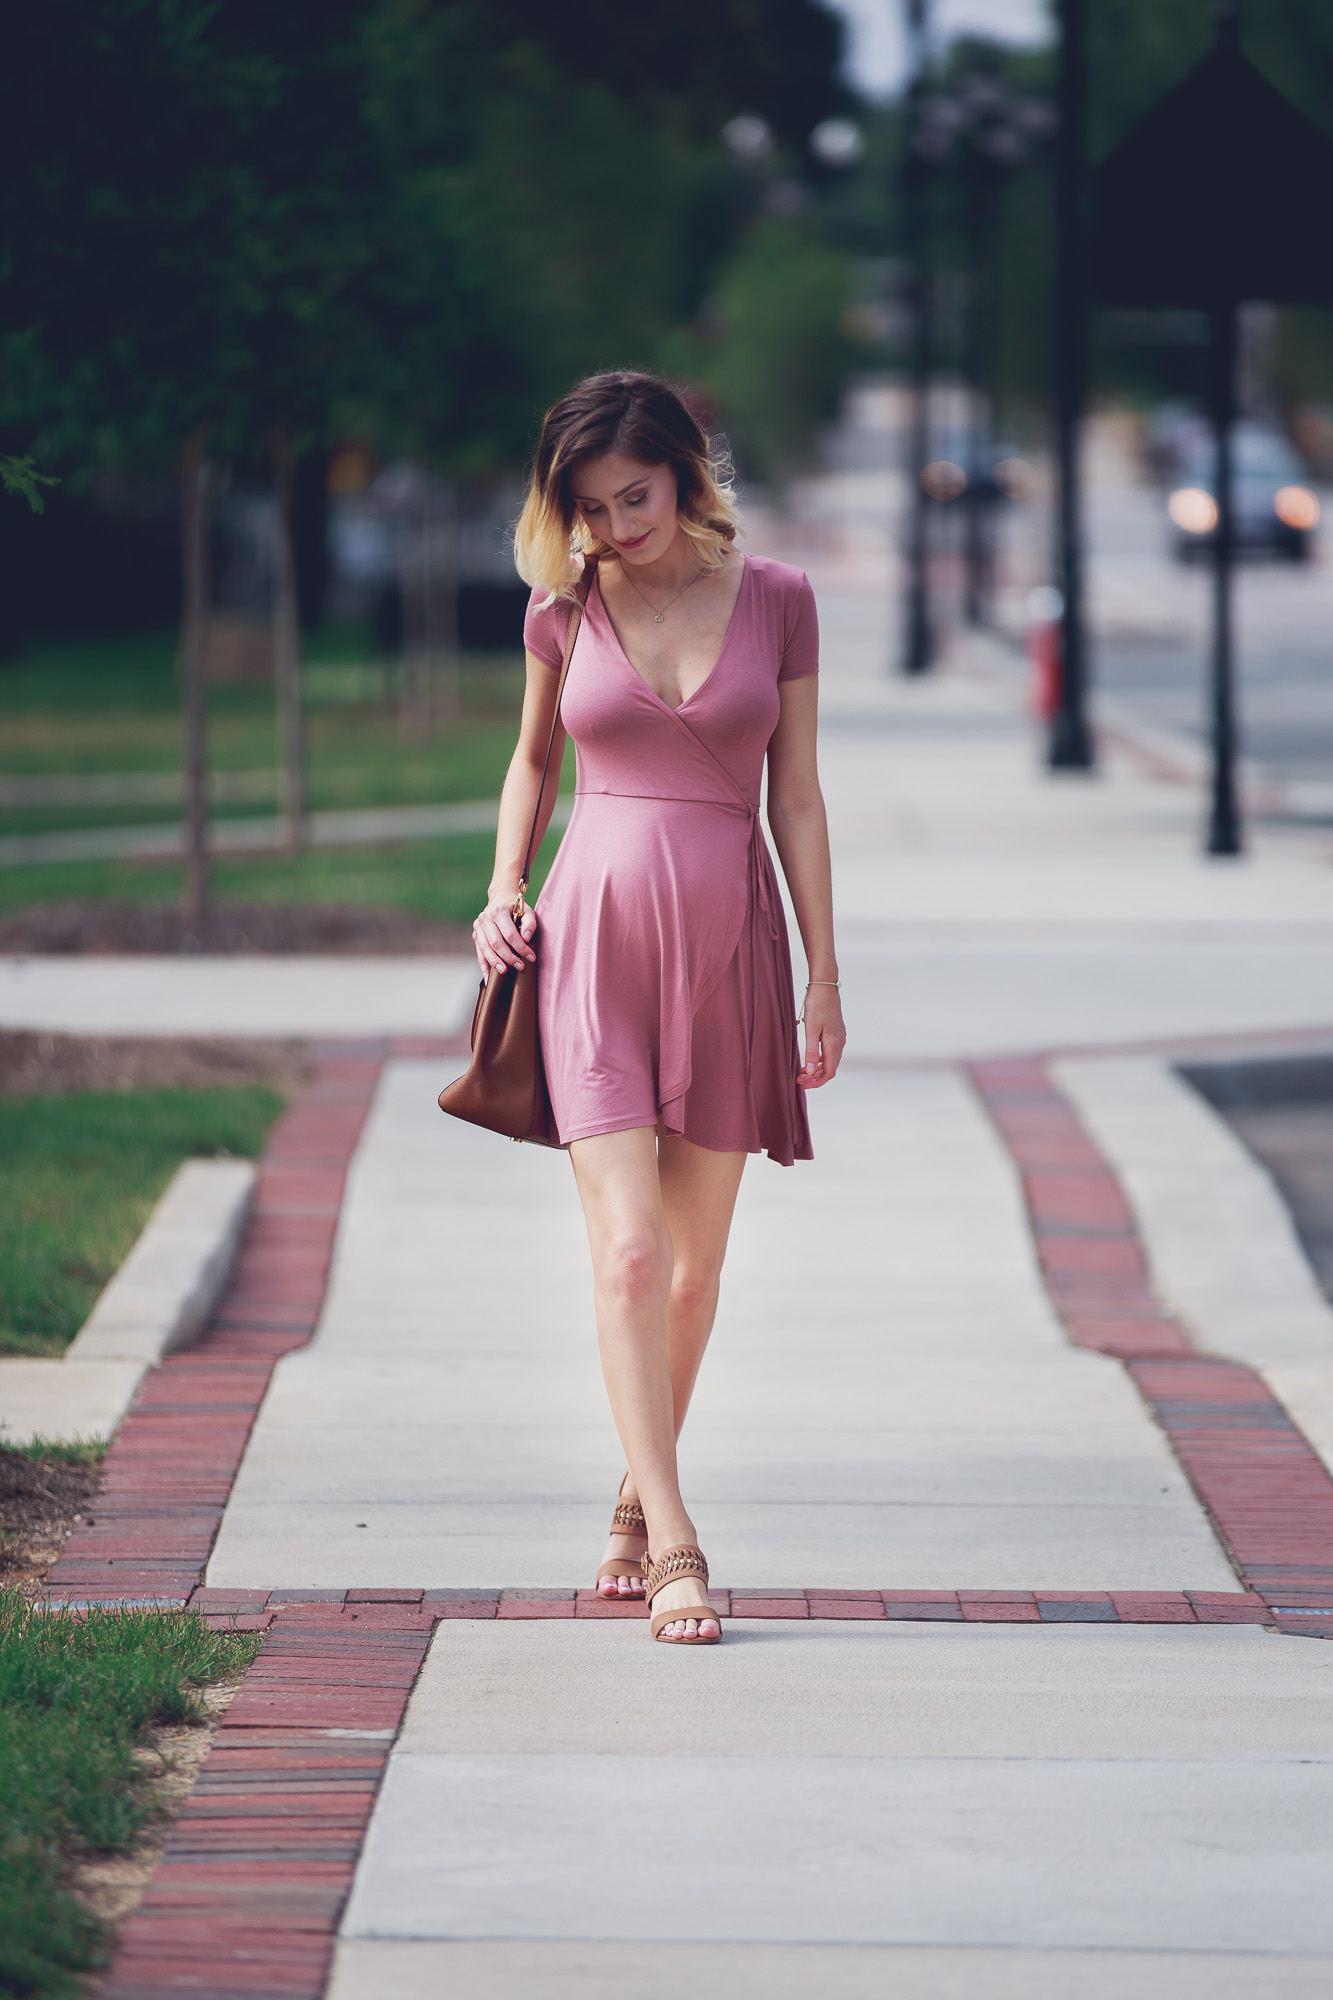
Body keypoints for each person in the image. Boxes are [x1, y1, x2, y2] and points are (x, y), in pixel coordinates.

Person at [472, 371, 845, 1644]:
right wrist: (500, 886)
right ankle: (680, 1544)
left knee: (691, 1277)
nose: (616, 526)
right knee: (628, 1253)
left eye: (634, 496)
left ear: (686, 471)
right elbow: (532, 760)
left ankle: (637, 1490)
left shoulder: (780, 602)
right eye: (588, 505)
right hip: (589, 945)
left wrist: (822, 976)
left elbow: (794, 798)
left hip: (727, 947)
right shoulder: (562, 606)